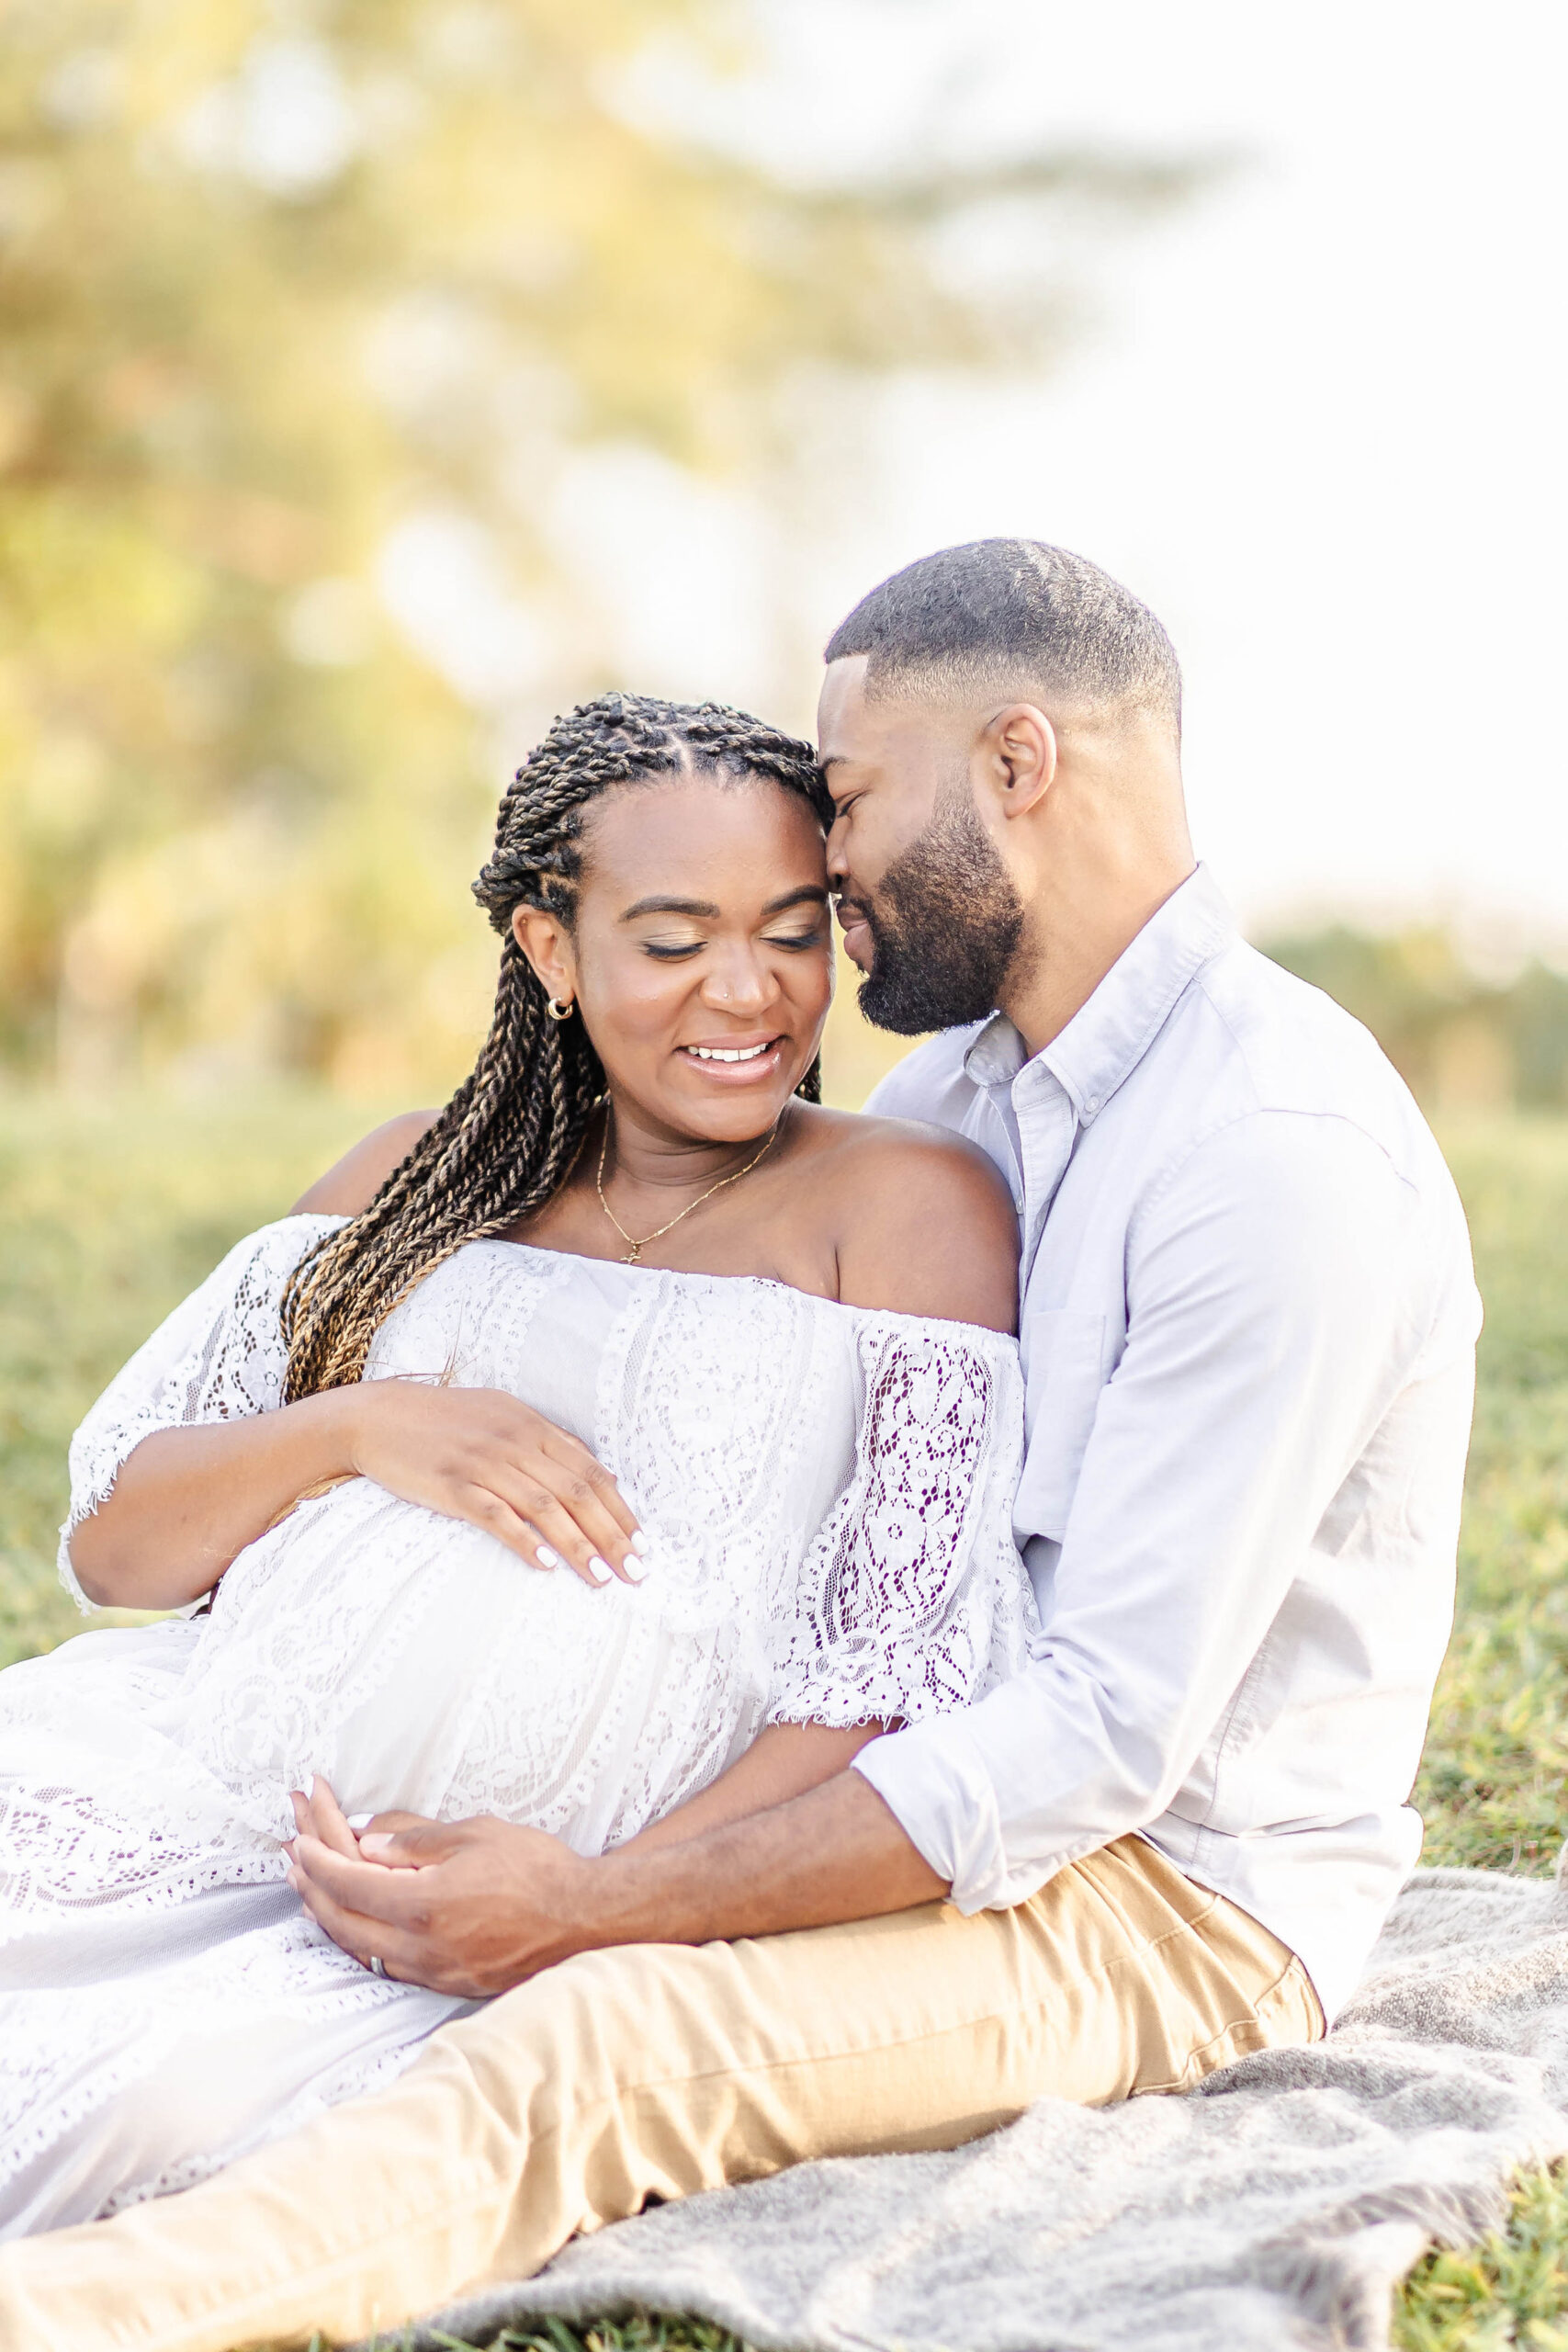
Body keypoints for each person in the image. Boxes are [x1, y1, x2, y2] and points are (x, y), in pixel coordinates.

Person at [0, 542, 1480, 2352]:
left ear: (1013, 763)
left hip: (1156, 1891)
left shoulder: (1267, 1151)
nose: (822, 884)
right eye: (690, 923)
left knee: (598, 2039)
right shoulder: (962, 1084)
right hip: (805, 1809)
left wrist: (604, 1905)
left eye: (841, 808)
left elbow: (1094, 1728)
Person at [0, 693, 1039, 2237]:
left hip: (521, 1902)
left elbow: (889, 1675)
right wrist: (361, 1427)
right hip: (204, 1776)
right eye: (672, 940)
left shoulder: (903, 1209)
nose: (747, 991)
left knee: (142, 2122)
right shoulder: (413, 1177)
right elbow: (121, 1552)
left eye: (792, 929)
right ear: (552, 949)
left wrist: (576, 1910)